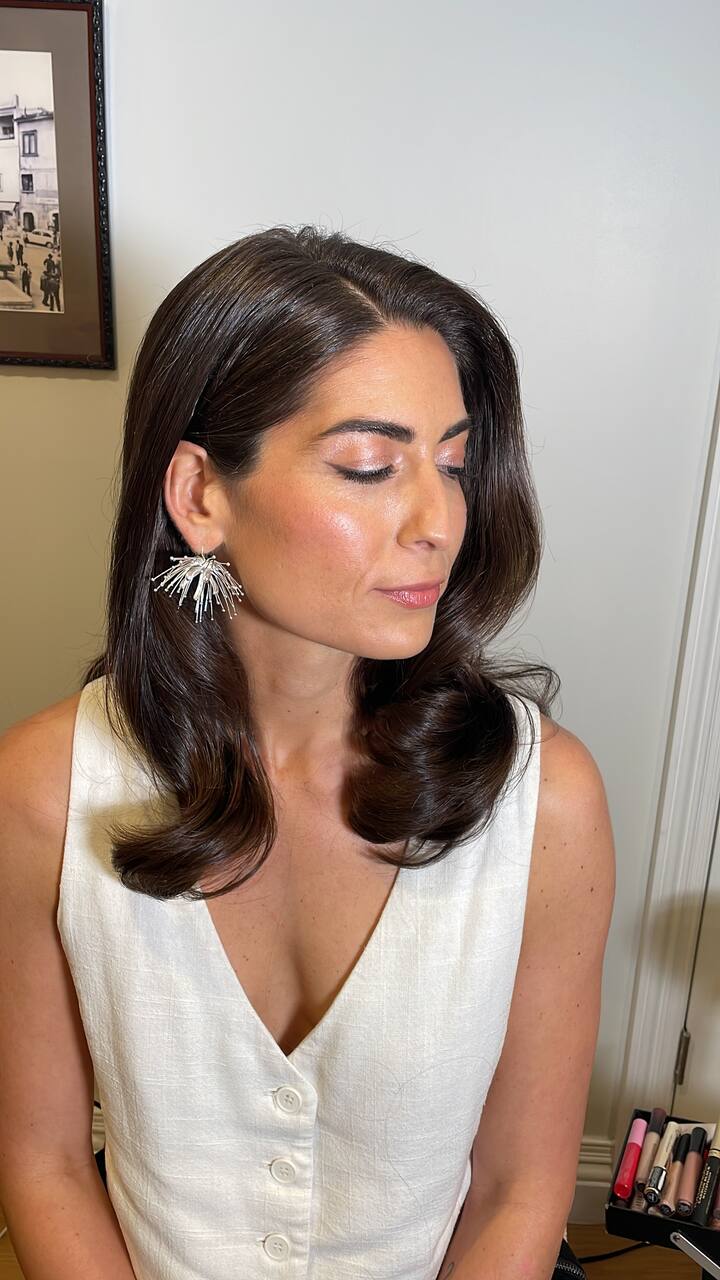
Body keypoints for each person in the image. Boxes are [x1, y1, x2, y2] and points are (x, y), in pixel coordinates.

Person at [0, 224, 614, 1280]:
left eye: (455, 464)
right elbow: (44, 1159)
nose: (439, 520)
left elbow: (519, 1186)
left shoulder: (544, 801)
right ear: (201, 495)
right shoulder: (42, 791)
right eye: (370, 466)